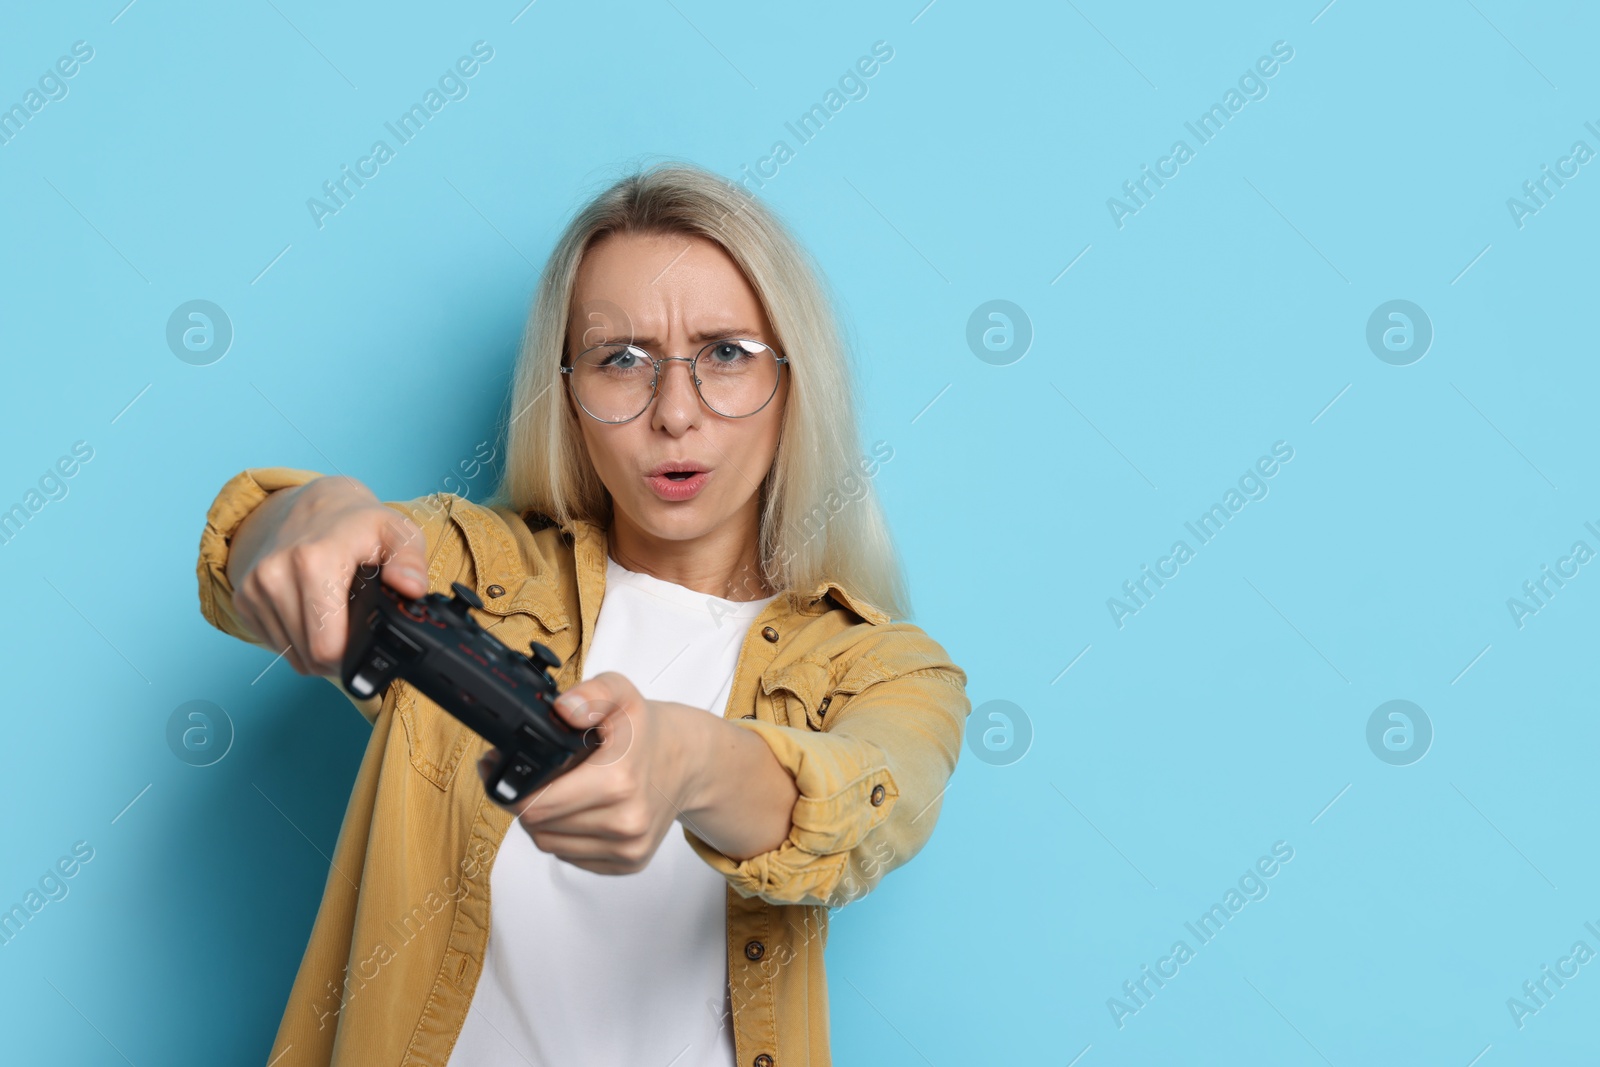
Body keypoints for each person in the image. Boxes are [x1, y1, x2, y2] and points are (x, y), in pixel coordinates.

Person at [194, 161, 970, 1067]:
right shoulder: (475, 568)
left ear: (797, 379)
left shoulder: (889, 670)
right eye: (621, 359)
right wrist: (297, 517)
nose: (674, 413)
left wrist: (684, 760)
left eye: (725, 352)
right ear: (566, 391)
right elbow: (257, 555)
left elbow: (869, 803)